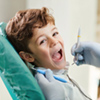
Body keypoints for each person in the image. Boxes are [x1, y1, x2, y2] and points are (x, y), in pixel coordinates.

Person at [6, 7, 92, 100]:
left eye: (54, 33)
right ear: (28, 56)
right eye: (42, 41)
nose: (54, 41)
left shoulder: (60, 74)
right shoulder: (49, 89)